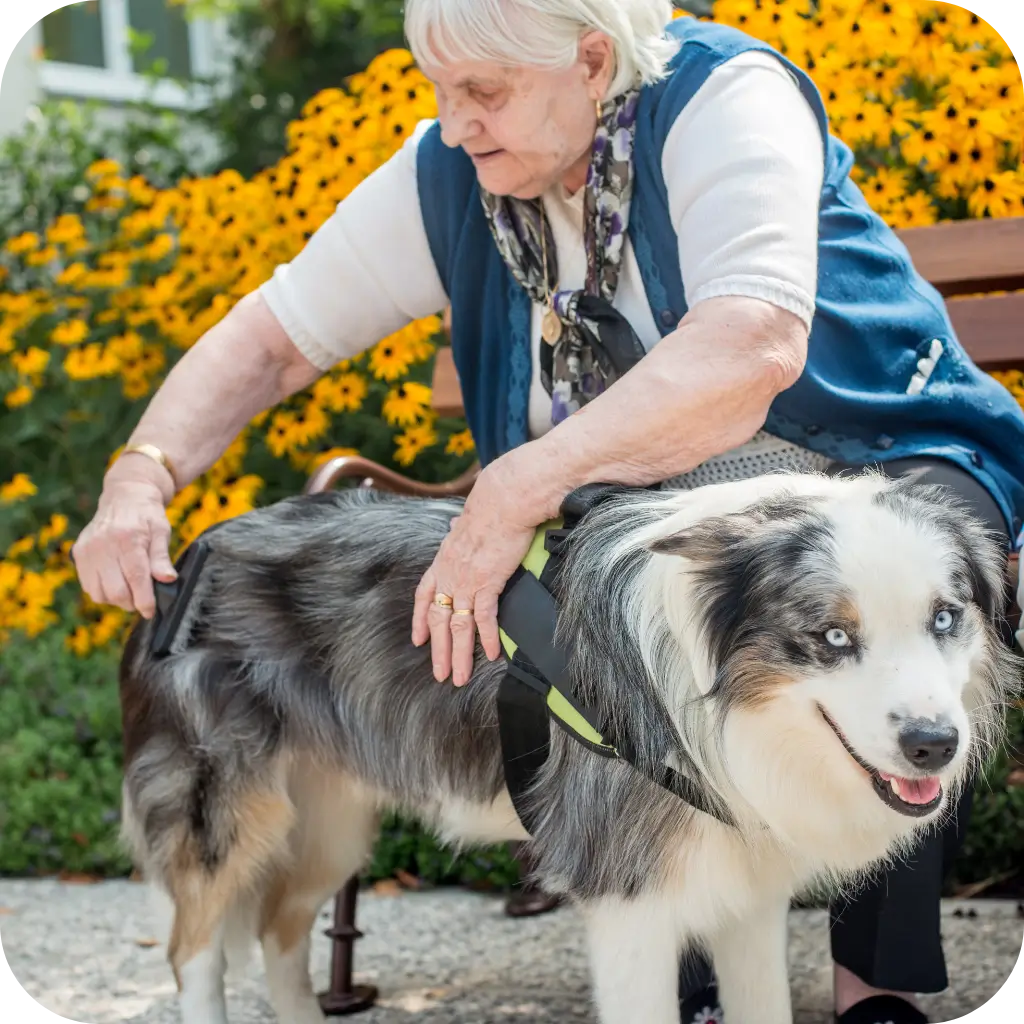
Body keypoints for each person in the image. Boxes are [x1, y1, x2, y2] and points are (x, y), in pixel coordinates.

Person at [72, 3, 1024, 1022]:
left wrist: (521, 485)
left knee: (867, 604)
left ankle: (873, 988)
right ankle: (681, 947)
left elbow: (747, 346)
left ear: (591, 59)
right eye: (440, 92)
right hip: (649, 512)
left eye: (483, 91)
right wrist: (143, 469)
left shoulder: (719, 98)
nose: (453, 124)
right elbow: (271, 341)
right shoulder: (450, 174)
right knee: (632, 594)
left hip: (879, 474)